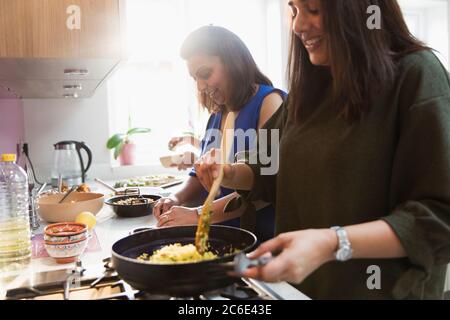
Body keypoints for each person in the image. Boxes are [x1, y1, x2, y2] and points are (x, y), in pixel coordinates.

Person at [195, 0, 450, 299]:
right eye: (294, 10)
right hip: (300, 291)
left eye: (313, 9)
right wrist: (227, 173)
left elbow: (438, 215)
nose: (298, 26)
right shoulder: (309, 88)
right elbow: (268, 167)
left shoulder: (416, 75)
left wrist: (333, 242)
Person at [153, 26, 287, 242]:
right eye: (194, 78)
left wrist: (198, 215)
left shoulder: (269, 103)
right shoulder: (218, 114)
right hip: (221, 237)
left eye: (205, 74)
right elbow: (200, 175)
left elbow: (265, 188)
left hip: (259, 241)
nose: (199, 85)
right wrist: (175, 198)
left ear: (234, 63)